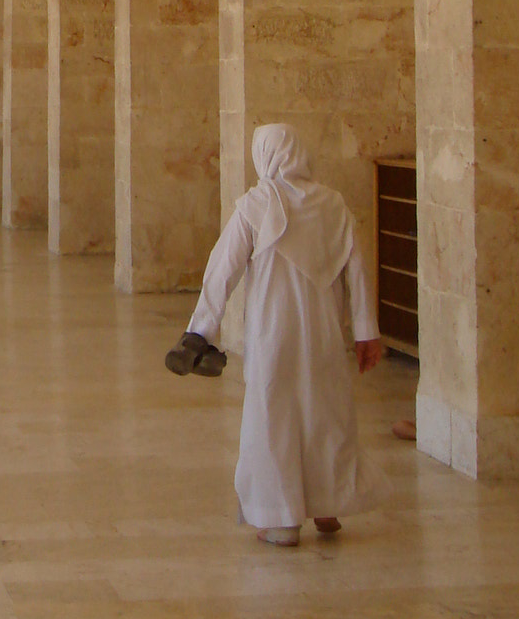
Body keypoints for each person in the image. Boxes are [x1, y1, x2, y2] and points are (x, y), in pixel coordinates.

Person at [165, 122, 386, 547]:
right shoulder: (334, 205)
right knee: (327, 414)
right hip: (323, 334)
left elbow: (222, 268)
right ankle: (328, 503)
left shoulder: (257, 204)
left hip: (273, 333)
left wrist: (199, 331)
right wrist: (365, 333)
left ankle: (280, 519)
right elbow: (357, 273)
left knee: (274, 417)